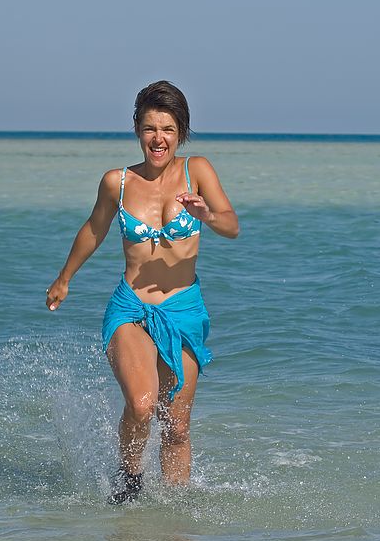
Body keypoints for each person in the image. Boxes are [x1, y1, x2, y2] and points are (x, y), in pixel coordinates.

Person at [45, 80, 239, 504]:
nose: (159, 138)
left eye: (168, 129)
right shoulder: (117, 182)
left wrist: (206, 214)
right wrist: (65, 277)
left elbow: (231, 225)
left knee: (178, 426)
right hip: (131, 307)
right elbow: (94, 230)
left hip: (184, 308)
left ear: (181, 132)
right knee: (142, 403)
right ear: (137, 129)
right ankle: (129, 485)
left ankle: (175, 513)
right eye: (150, 128)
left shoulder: (198, 170)